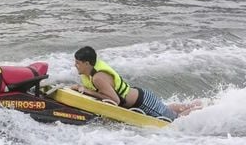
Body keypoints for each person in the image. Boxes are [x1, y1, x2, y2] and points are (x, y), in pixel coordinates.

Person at [71, 46, 201, 120]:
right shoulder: (89, 72)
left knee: (175, 119)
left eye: (78, 63)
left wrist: (87, 91)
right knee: (167, 110)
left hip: (143, 103)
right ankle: (196, 104)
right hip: (140, 96)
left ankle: (201, 110)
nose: (75, 65)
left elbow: (114, 100)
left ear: (87, 63)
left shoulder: (98, 77)